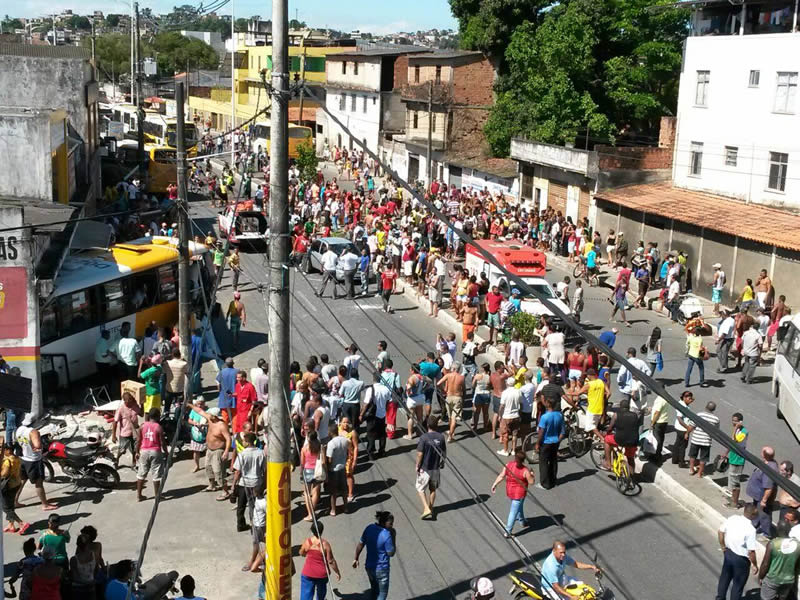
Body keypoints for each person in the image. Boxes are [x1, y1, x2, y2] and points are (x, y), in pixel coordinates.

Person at [14, 415, 57, 511]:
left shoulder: (19, 429)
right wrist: (41, 446)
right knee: (38, 483)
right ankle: (45, 505)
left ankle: (15, 501)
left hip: (23, 458)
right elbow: (37, 446)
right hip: (33, 461)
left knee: (21, 481)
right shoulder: (33, 432)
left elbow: (17, 441)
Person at [716, 504, 758, 600]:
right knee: (737, 585)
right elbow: (751, 551)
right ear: (752, 515)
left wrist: (723, 546)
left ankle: (720, 598)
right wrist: (754, 565)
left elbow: (720, 531)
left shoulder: (733, 518)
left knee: (724, 579)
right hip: (741, 560)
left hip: (728, 553)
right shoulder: (751, 530)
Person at [353, 511, 396, 600]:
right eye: (390, 524)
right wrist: (393, 537)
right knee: (382, 594)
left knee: (374, 590)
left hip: (369, 567)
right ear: (384, 523)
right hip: (382, 570)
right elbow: (391, 553)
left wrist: (356, 558)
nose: (392, 526)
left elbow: (360, 544)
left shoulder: (369, 528)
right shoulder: (387, 535)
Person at [491, 449, 534, 537]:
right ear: (523, 460)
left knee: (519, 505)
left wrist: (495, 484)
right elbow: (531, 482)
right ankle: (508, 531)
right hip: (519, 493)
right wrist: (532, 474)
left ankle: (522, 521)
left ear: (515, 458)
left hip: (510, 491)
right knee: (513, 512)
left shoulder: (508, 465)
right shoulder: (525, 471)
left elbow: (501, 476)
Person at [231, 432, 265, 533]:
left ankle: (240, 525)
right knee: (254, 507)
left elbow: (237, 471)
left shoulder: (242, 454)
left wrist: (233, 485)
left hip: (244, 484)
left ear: (246, 442)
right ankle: (255, 526)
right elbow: (264, 470)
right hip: (256, 483)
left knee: (241, 507)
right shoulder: (261, 453)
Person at [758, 520, 800, 600]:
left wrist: (761, 576)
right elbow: (797, 564)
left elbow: (765, 564)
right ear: (789, 530)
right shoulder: (798, 545)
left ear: (777, 529)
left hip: (772, 579)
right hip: (789, 580)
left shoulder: (772, 544)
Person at [300, 521, 341, 600]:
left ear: (312, 530)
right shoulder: (325, 544)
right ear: (322, 530)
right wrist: (337, 572)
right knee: (321, 595)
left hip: (308, 573)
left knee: (306, 596)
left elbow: (301, 553)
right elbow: (331, 561)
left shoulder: (307, 542)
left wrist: (306, 553)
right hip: (321, 575)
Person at [416, 416, 446, 519]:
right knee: (433, 489)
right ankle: (431, 507)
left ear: (427, 425)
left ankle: (426, 508)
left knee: (420, 488)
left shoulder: (424, 437)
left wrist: (417, 465)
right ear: (436, 425)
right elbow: (444, 452)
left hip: (425, 469)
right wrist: (442, 462)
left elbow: (420, 454)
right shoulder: (441, 437)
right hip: (435, 469)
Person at [136, 408, 168, 502]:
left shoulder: (142, 426)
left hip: (144, 451)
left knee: (141, 473)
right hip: (155, 451)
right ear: (158, 416)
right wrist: (166, 452)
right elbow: (162, 442)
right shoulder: (158, 427)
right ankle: (157, 496)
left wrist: (137, 451)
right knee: (156, 475)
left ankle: (139, 496)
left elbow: (139, 440)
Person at [746, 446, 779, 539]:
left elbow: (769, 488)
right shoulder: (767, 462)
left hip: (762, 496)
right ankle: (755, 524)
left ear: (764, 455)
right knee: (757, 510)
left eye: (762, 451)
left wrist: (764, 500)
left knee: (764, 514)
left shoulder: (770, 469)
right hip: (757, 494)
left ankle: (766, 533)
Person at [602, 397, 639, 473]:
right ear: (628, 408)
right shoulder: (635, 415)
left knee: (607, 440)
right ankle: (631, 476)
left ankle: (608, 464)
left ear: (620, 407)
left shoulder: (616, 415)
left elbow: (610, 428)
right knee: (630, 458)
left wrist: (606, 432)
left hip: (620, 439)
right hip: (633, 441)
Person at [536, 396, 566, 489]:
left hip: (546, 442)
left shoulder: (545, 417)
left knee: (543, 462)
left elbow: (541, 432)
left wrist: (537, 443)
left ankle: (545, 483)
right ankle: (553, 480)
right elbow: (562, 431)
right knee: (553, 461)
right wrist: (558, 440)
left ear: (548, 404)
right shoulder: (559, 415)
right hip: (555, 442)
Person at [361, 372, 390, 459]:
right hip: (382, 414)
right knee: (382, 433)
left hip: (372, 415)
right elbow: (388, 401)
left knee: (371, 434)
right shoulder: (386, 389)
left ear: (373, 379)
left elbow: (366, 404)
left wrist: (361, 414)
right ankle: (382, 451)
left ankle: (370, 452)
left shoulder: (371, 389)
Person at [686, 401, 719, 478]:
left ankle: (691, 469)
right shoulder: (716, 419)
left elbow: (692, 425)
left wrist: (687, 433)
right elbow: (716, 431)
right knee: (703, 458)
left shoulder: (699, 415)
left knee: (692, 455)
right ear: (714, 409)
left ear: (706, 407)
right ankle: (700, 473)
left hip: (696, 439)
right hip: (706, 441)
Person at [437, 361, 465, 443]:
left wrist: (444, 390)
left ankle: (451, 432)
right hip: (457, 397)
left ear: (453, 368)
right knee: (454, 418)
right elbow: (463, 389)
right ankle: (450, 436)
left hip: (449, 397)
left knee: (450, 417)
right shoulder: (461, 377)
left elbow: (438, 383)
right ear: (458, 369)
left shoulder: (448, 376)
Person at [1, 441, 25, 533]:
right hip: (16, 484)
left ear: (7, 450)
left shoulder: (7, 461)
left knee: (6, 508)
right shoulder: (17, 458)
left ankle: (21, 523)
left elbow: (4, 474)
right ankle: (11, 525)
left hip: (8, 486)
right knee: (10, 505)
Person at [726, 413, 748, 509]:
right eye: (733, 420)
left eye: (735, 420)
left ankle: (734, 503)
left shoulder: (743, 432)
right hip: (732, 457)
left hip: (738, 460)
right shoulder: (738, 429)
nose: (733, 422)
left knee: (735, 482)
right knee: (731, 480)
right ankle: (732, 499)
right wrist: (726, 453)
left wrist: (735, 428)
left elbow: (735, 440)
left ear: (740, 421)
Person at [498, 376, 521, 457]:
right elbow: (520, 402)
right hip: (516, 415)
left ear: (507, 383)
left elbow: (502, 405)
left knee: (505, 434)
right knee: (515, 434)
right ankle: (514, 450)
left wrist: (500, 415)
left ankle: (505, 450)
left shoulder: (505, 393)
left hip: (507, 415)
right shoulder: (518, 391)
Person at [163, 348, 188, 418]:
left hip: (169, 388)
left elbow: (164, 371)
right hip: (179, 389)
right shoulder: (184, 364)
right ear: (179, 354)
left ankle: (166, 417)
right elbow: (187, 370)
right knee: (178, 405)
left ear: (172, 354)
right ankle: (177, 419)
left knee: (167, 405)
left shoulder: (167, 363)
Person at [70, 533, 98, 599]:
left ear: (77, 545)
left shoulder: (74, 559)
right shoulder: (94, 555)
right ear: (89, 544)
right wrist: (91, 581)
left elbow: (75, 578)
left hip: (78, 589)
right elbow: (96, 571)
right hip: (91, 588)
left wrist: (87, 582)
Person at [216, 357, 239, 424]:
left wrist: (219, 391)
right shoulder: (237, 372)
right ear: (233, 363)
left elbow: (218, 383)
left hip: (224, 396)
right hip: (234, 397)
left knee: (225, 416)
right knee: (235, 415)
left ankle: (225, 430)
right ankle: (235, 432)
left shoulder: (222, 372)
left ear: (226, 364)